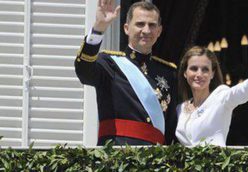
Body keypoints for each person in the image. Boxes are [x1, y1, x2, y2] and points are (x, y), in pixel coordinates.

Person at [75, 0, 178, 145]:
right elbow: (84, 71)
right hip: (117, 156)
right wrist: (98, 29)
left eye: (152, 25)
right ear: (126, 28)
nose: (146, 30)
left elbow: (171, 126)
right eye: (140, 24)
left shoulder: (168, 72)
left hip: (156, 160)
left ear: (159, 31)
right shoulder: (109, 63)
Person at [175, 19, 248, 147]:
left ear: (212, 74)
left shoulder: (221, 97)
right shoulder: (180, 108)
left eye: (205, 69)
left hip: (215, 165)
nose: (199, 74)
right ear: (185, 73)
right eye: (193, 68)